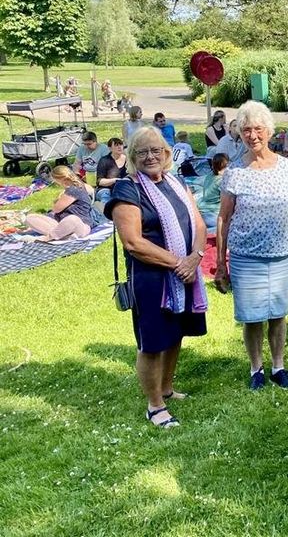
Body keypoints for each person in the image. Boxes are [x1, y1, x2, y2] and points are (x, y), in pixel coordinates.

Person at [104, 126, 208, 428]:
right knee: (151, 342)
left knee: (175, 333)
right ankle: (155, 405)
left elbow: (199, 224)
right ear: (133, 157)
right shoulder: (127, 188)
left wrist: (195, 258)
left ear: (166, 154)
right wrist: (180, 263)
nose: (150, 156)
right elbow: (133, 242)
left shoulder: (177, 181)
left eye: (156, 150)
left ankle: (167, 387)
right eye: (142, 152)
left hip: (184, 273)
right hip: (151, 278)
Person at [213, 101, 288, 391]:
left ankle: (278, 366)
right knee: (252, 317)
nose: (253, 135)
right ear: (239, 134)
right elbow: (223, 218)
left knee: (278, 314)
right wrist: (220, 263)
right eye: (246, 130)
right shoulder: (235, 172)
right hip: (246, 257)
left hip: (282, 254)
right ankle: (256, 368)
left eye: (258, 129)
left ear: (269, 131)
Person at [25, 166, 99, 241]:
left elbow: (56, 209)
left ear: (59, 179)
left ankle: (49, 237)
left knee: (72, 219)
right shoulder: (79, 185)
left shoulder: (73, 189)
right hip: (61, 223)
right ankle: (63, 235)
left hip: (79, 225)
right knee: (30, 218)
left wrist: (59, 199)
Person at [198, 153, 228, 234]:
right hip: (213, 214)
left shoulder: (209, 175)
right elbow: (227, 202)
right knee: (227, 226)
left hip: (202, 210)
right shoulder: (222, 181)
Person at [95, 137, 129, 205]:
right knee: (107, 198)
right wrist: (115, 180)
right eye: (116, 145)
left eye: (121, 144)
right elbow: (100, 181)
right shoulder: (104, 160)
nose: (119, 147)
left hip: (124, 189)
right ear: (110, 148)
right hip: (106, 189)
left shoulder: (128, 159)